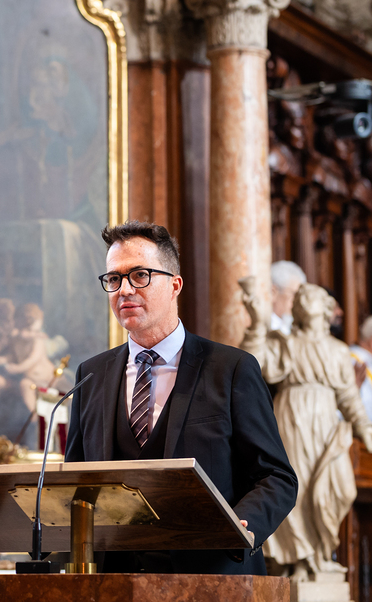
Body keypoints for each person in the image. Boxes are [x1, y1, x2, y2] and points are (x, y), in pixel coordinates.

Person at [65, 220, 297, 575]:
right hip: (114, 581)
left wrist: (241, 525)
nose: (124, 290)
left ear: (174, 285)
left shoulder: (231, 369)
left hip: (211, 575)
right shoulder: (90, 376)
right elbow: (75, 481)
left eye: (139, 275)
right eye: (113, 279)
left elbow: (276, 476)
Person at [241, 282, 372, 580]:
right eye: (301, 297)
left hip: (325, 423)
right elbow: (253, 363)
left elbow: (348, 396)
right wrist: (256, 323)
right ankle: (300, 559)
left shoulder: (338, 350)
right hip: (292, 418)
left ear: (326, 308)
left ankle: (321, 553)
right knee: (297, 485)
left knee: (340, 490)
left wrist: (365, 427)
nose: (306, 299)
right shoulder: (286, 343)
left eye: (313, 296)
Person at [270, 260, 306, 335]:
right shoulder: (263, 328)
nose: (299, 301)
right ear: (273, 293)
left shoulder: (294, 327)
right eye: (294, 294)